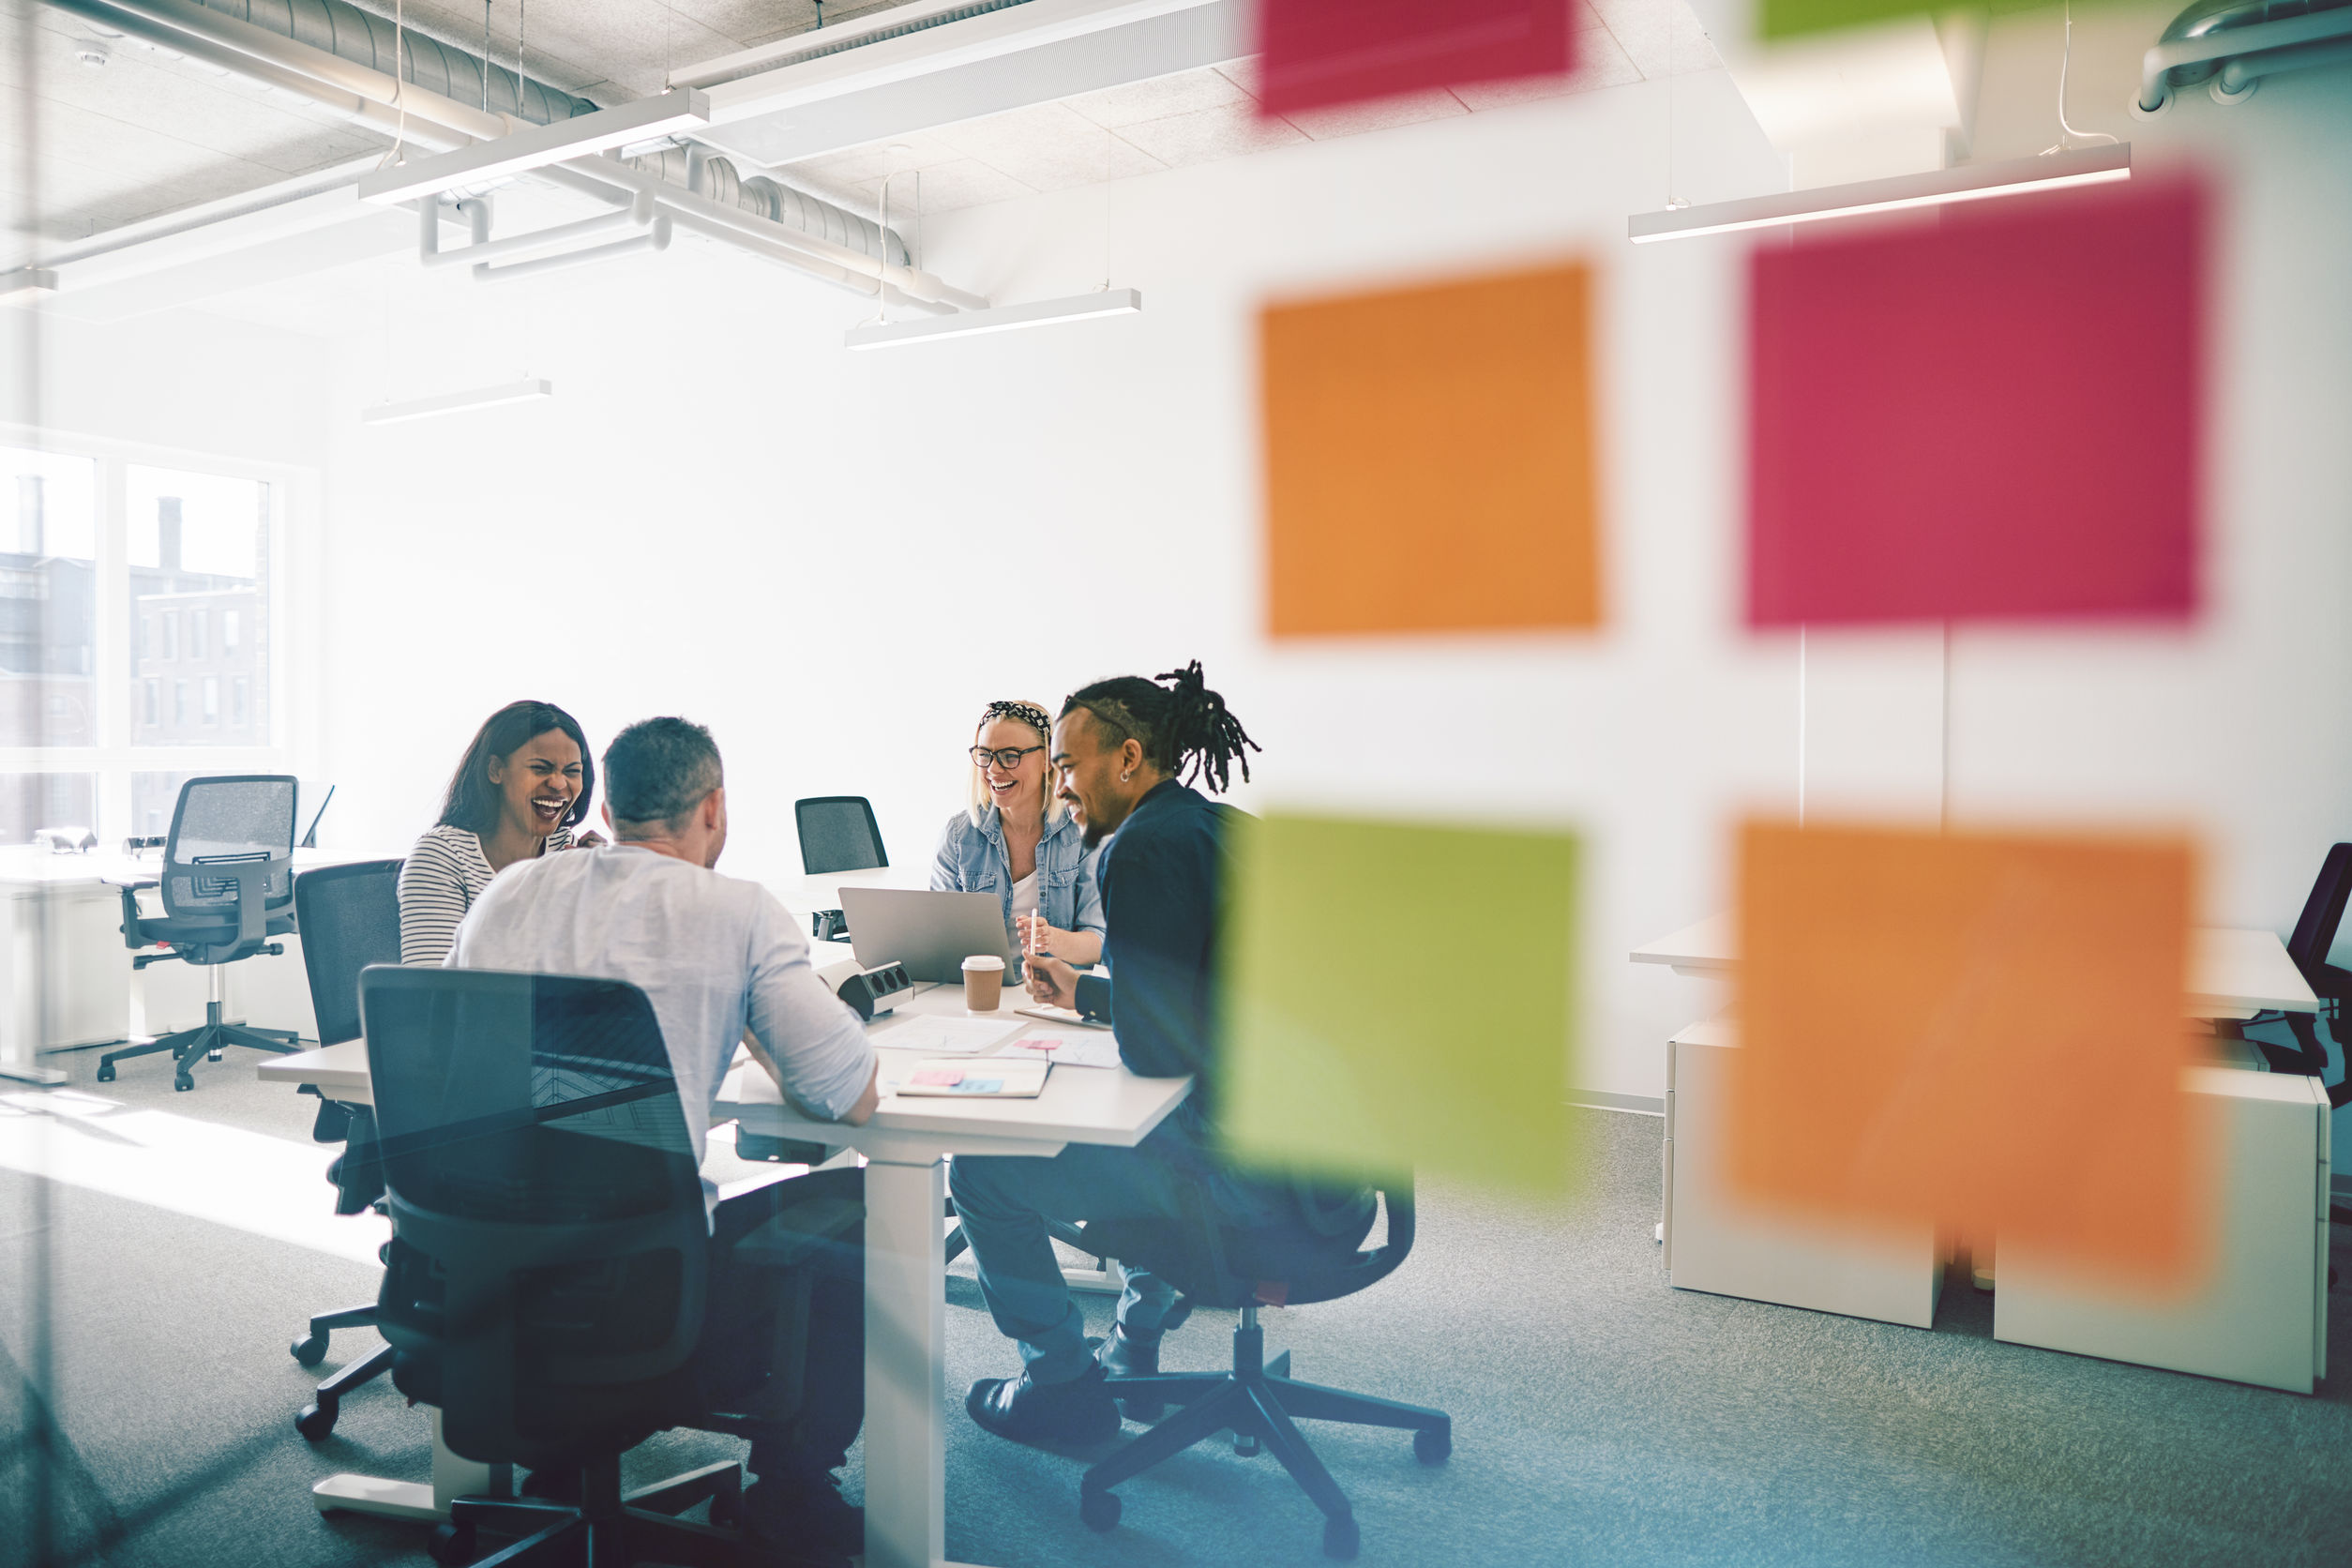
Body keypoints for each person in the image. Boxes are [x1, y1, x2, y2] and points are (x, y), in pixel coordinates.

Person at [445, 716, 880, 1560]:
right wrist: (758, 1023)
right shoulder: (737, 910)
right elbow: (851, 1096)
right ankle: (791, 1492)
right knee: (859, 1207)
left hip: (486, 1286)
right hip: (642, 1309)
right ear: (714, 808)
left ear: (606, 807)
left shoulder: (504, 896)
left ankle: (560, 1463)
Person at [951, 662, 1283, 1442]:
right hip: (1301, 1161)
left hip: (1226, 1176)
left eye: (1067, 764)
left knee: (981, 1171)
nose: (1063, 786)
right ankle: (1134, 1343)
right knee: (1139, 1134)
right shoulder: (1221, 827)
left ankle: (1061, 1382)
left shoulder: (1136, 848)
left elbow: (1158, 1056)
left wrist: (1087, 1047)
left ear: (1128, 759)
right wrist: (1090, 995)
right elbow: (1209, 1005)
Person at [398, 700, 604, 965]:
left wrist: (606, 889)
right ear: (496, 770)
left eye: (572, 772)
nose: (558, 783)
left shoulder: (565, 850)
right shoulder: (441, 856)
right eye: (540, 768)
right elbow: (432, 990)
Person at [930, 699, 1105, 966]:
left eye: (1010, 756)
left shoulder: (1084, 835)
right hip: (980, 989)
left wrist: (1053, 940)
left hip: (1052, 999)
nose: (993, 770)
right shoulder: (958, 836)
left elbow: (1100, 941)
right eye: (985, 754)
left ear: (1048, 759)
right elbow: (935, 933)